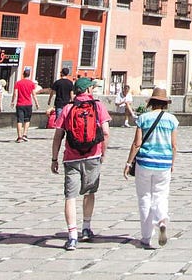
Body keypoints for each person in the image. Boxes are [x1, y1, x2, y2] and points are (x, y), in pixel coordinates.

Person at [51, 76, 112, 251]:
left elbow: (58, 135)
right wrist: (103, 153)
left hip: (71, 157)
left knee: (70, 196)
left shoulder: (68, 108)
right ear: (88, 90)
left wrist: (54, 158)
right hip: (93, 155)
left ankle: (71, 236)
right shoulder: (97, 105)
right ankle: (86, 228)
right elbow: (106, 133)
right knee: (90, 192)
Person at [123, 86, 178, 250]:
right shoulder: (172, 120)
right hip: (164, 163)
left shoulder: (144, 118)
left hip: (144, 162)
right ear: (165, 104)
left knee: (144, 197)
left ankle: (146, 237)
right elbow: (174, 145)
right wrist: (172, 163)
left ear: (151, 102)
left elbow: (137, 143)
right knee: (161, 195)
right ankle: (161, 220)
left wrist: (128, 163)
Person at [14, 68, 41, 142]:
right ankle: (24, 134)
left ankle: (19, 137)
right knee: (27, 120)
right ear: (29, 75)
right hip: (28, 104)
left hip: (20, 103)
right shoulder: (31, 83)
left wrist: (13, 101)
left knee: (19, 120)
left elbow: (15, 93)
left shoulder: (18, 83)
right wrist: (37, 103)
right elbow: (34, 94)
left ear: (23, 74)